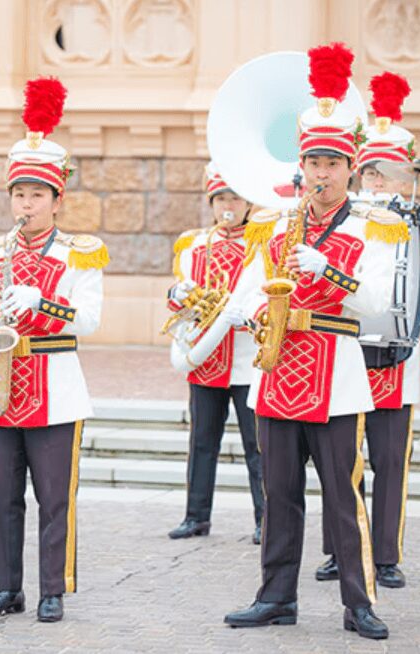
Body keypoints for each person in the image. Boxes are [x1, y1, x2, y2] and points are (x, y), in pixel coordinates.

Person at [221, 43, 397, 640]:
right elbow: (245, 291)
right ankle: (276, 597)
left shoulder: (371, 226)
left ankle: (360, 602)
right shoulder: (273, 224)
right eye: (313, 163)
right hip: (276, 372)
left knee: (344, 501)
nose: (320, 174)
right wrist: (251, 314)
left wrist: (326, 268)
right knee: (279, 495)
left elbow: (377, 304)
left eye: (331, 163)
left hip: (336, 377)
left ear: (349, 167)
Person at [0, 77, 108, 623]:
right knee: (0, 498)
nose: (26, 204)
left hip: (55, 387)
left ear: (56, 200)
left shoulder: (80, 256)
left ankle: (53, 587)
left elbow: (90, 320)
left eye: (37, 195)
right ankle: (4, 587)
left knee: (54, 499)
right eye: (19, 195)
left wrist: (43, 302)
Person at [315, 71, 420, 589]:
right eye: (368, 171)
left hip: (398, 360)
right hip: (347, 351)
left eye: (385, 173)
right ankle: (338, 549)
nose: (375, 181)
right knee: (339, 462)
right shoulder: (342, 222)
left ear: (405, 177)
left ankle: (388, 555)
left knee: (391, 462)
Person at [165, 163, 264, 543]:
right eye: (221, 198)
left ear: (247, 203)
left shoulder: (260, 244)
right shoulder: (193, 245)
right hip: (205, 358)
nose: (228, 205)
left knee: (257, 448)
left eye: (234, 198)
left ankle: (264, 518)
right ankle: (196, 516)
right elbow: (183, 293)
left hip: (243, 359)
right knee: (202, 443)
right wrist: (177, 295)